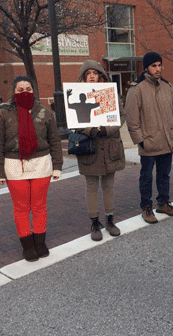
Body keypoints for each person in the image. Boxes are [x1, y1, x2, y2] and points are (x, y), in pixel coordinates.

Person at [0, 75, 63, 261]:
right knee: (21, 208)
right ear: (13, 92)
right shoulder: (4, 113)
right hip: (14, 165)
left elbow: (54, 140)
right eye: (20, 90)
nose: (25, 93)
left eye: (28, 89)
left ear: (34, 91)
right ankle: (28, 245)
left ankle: (40, 242)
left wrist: (57, 166)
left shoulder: (44, 112)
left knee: (39, 206)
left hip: (41, 164)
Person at [125, 51, 173, 224]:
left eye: (159, 65)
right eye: (153, 66)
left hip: (166, 140)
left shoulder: (167, 86)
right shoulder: (137, 88)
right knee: (146, 177)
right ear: (146, 67)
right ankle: (146, 207)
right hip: (148, 142)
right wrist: (140, 140)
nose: (157, 69)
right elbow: (131, 118)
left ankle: (163, 202)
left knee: (165, 175)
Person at [75, 60, 125, 241]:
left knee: (109, 185)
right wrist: (90, 130)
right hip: (90, 146)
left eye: (95, 73)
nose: (92, 76)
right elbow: (74, 120)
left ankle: (110, 219)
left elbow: (121, 116)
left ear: (100, 75)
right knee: (92, 187)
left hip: (110, 145)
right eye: (88, 73)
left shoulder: (110, 92)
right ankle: (95, 222)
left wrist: (107, 129)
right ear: (83, 77)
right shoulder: (76, 94)